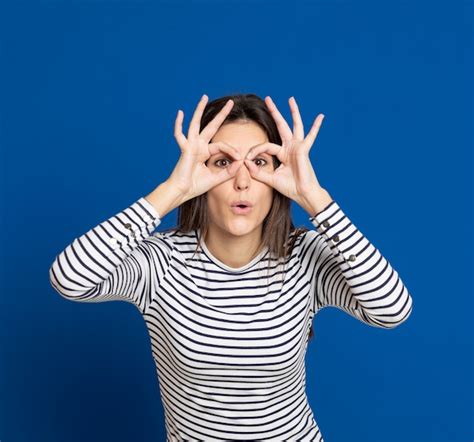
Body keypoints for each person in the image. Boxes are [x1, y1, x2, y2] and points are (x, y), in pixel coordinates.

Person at [49, 93, 413, 442]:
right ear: (201, 174)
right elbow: (69, 279)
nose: (242, 182)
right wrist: (173, 189)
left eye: (259, 163)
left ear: (278, 176)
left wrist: (314, 198)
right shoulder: (160, 262)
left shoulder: (304, 256)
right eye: (223, 163)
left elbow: (392, 310)